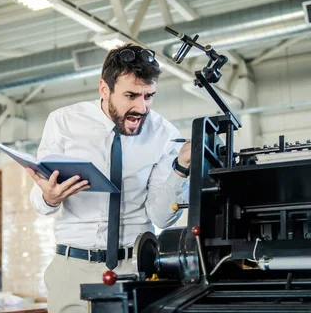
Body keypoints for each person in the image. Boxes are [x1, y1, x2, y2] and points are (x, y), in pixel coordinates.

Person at [27, 43, 191, 313]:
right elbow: (40, 201)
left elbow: (162, 218)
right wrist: (49, 196)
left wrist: (180, 168)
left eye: (149, 96)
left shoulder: (164, 133)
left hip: (135, 267)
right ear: (104, 89)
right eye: (131, 95)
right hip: (72, 268)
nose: (142, 107)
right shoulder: (63, 123)